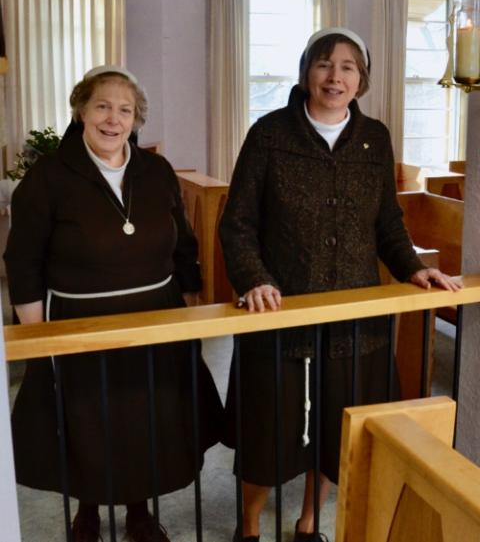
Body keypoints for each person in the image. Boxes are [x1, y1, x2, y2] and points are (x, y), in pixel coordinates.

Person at [219, 28, 461, 542]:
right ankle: (249, 528)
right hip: (279, 316)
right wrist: (255, 279)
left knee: (338, 430)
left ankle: (309, 525)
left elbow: (389, 225)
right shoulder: (269, 133)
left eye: (348, 66)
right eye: (325, 64)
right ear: (307, 71)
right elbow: (236, 222)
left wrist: (413, 268)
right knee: (268, 433)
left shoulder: (375, 138)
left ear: (362, 79)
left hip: (356, 321)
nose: (335, 76)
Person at [5, 65, 223, 542]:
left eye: (125, 109)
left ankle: (140, 511)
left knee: (145, 417)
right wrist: (37, 331)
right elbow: (22, 258)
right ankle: (86, 511)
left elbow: (183, 244)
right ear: (81, 110)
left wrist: (186, 305)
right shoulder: (48, 176)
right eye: (102, 105)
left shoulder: (157, 171)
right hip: (80, 321)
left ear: (136, 119)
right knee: (89, 419)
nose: (113, 118)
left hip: (155, 317)